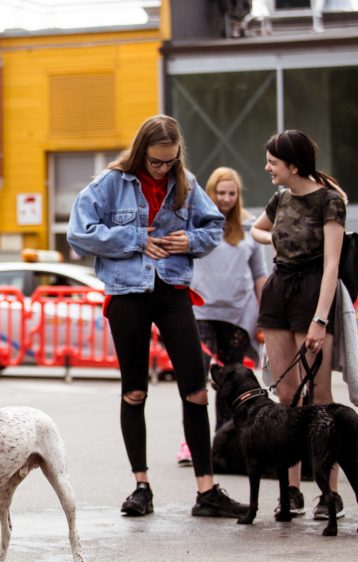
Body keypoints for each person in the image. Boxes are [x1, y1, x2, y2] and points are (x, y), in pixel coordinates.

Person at [67, 114, 247, 519]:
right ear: (141, 153)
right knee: (135, 391)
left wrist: (191, 239)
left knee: (196, 388)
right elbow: (79, 234)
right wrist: (134, 239)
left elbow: (213, 227)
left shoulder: (187, 183)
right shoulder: (111, 182)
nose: (163, 169)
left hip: (173, 291)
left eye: (169, 161)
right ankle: (141, 487)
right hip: (128, 293)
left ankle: (207, 491)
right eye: (155, 162)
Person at [250, 129, 348, 519]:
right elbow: (256, 229)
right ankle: (291, 491)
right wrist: (275, 237)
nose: (267, 167)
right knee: (287, 396)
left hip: (313, 292)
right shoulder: (280, 199)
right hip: (279, 290)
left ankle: (330, 491)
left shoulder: (330, 201)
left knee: (319, 395)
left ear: (292, 164)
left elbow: (332, 265)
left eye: (273, 162)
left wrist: (320, 319)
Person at [180, 167, 268, 466]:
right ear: (210, 192)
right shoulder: (196, 222)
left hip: (238, 313)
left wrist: (264, 313)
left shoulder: (248, 227)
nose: (226, 199)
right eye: (220, 193)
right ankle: (192, 442)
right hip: (201, 310)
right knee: (197, 377)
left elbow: (259, 273)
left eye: (231, 193)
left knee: (231, 380)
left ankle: (226, 440)